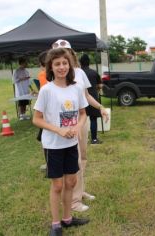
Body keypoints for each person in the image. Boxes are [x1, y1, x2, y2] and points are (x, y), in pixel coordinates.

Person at [33, 48, 89, 236]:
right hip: (53, 145)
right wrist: (59, 130)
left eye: (65, 63)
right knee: (57, 185)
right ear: (51, 67)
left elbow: (82, 113)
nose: (62, 67)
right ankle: (56, 224)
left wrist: (77, 127)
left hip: (71, 144)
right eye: (57, 64)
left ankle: (67, 218)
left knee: (71, 182)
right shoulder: (46, 90)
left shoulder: (76, 88)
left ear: (70, 65)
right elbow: (37, 119)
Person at [51, 39, 109, 212]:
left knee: (82, 157)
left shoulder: (80, 73)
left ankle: (80, 190)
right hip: (66, 124)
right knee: (73, 161)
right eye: (60, 52)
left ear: (72, 53)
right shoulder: (55, 73)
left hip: (81, 120)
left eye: (67, 51)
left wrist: (100, 107)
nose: (64, 55)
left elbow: (86, 96)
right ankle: (74, 201)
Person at [79, 54, 103, 144]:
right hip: (93, 98)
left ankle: (81, 139)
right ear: (89, 62)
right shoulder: (94, 72)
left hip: (81, 99)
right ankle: (94, 139)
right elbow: (100, 85)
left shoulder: (77, 73)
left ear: (80, 62)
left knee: (81, 119)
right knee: (93, 119)